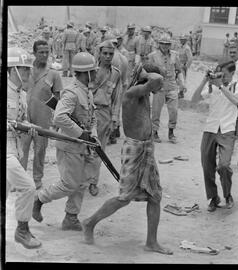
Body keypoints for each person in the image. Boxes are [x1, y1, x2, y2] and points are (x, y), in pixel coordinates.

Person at [82, 63, 173, 255]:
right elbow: (155, 81)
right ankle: (89, 223)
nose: (160, 85)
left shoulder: (144, 94)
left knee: (155, 196)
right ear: (145, 78)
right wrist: (150, 75)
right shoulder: (132, 92)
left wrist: (150, 76)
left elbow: (156, 83)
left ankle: (151, 242)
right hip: (134, 150)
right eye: (158, 81)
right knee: (124, 198)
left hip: (147, 149)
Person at [32, 52, 98, 231]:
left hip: (81, 146)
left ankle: (71, 217)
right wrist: (79, 134)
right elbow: (60, 117)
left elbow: (91, 119)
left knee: (81, 183)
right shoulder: (72, 92)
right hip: (69, 146)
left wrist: (93, 137)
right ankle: (39, 198)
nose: (96, 73)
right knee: (70, 183)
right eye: (93, 71)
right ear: (86, 73)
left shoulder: (87, 91)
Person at [191, 60, 238, 212]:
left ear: (232, 73)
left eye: (224, 74)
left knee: (224, 165)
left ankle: (228, 195)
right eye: (218, 74)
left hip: (227, 130)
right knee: (207, 165)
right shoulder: (212, 86)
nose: (220, 77)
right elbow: (194, 100)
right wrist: (205, 80)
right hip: (210, 128)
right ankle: (213, 197)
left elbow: (236, 100)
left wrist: (220, 86)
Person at [7, 47, 42, 249]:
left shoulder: (20, 94)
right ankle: (22, 230)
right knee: (28, 187)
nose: (29, 74)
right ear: (13, 70)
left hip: (15, 147)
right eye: (25, 70)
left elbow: (22, 120)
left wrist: (29, 127)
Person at [20, 40, 63, 190]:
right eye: (41, 52)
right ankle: (21, 180)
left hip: (42, 117)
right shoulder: (26, 71)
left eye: (47, 52)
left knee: (40, 149)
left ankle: (37, 180)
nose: (44, 55)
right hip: (24, 115)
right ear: (34, 53)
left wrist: (56, 120)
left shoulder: (53, 74)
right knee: (22, 149)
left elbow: (58, 99)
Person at [87, 40, 122, 196]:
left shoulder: (116, 73)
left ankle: (93, 182)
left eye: (111, 54)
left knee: (98, 149)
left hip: (104, 113)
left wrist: (115, 118)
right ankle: (81, 180)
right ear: (99, 54)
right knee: (82, 146)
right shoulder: (90, 70)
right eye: (105, 53)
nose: (108, 56)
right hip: (87, 111)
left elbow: (117, 97)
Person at [148, 34, 182, 144]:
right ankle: (154, 132)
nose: (165, 46)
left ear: (170, 45)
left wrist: (182, 84)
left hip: (172, 86)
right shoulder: (153, 56)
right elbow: (148, 71)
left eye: (167, 44)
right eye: (162, 43)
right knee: (156, 111)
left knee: (174, 111)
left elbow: (179, 71)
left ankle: (171, 132)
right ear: (159, 44)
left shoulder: (175, 55)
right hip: (159, 87)